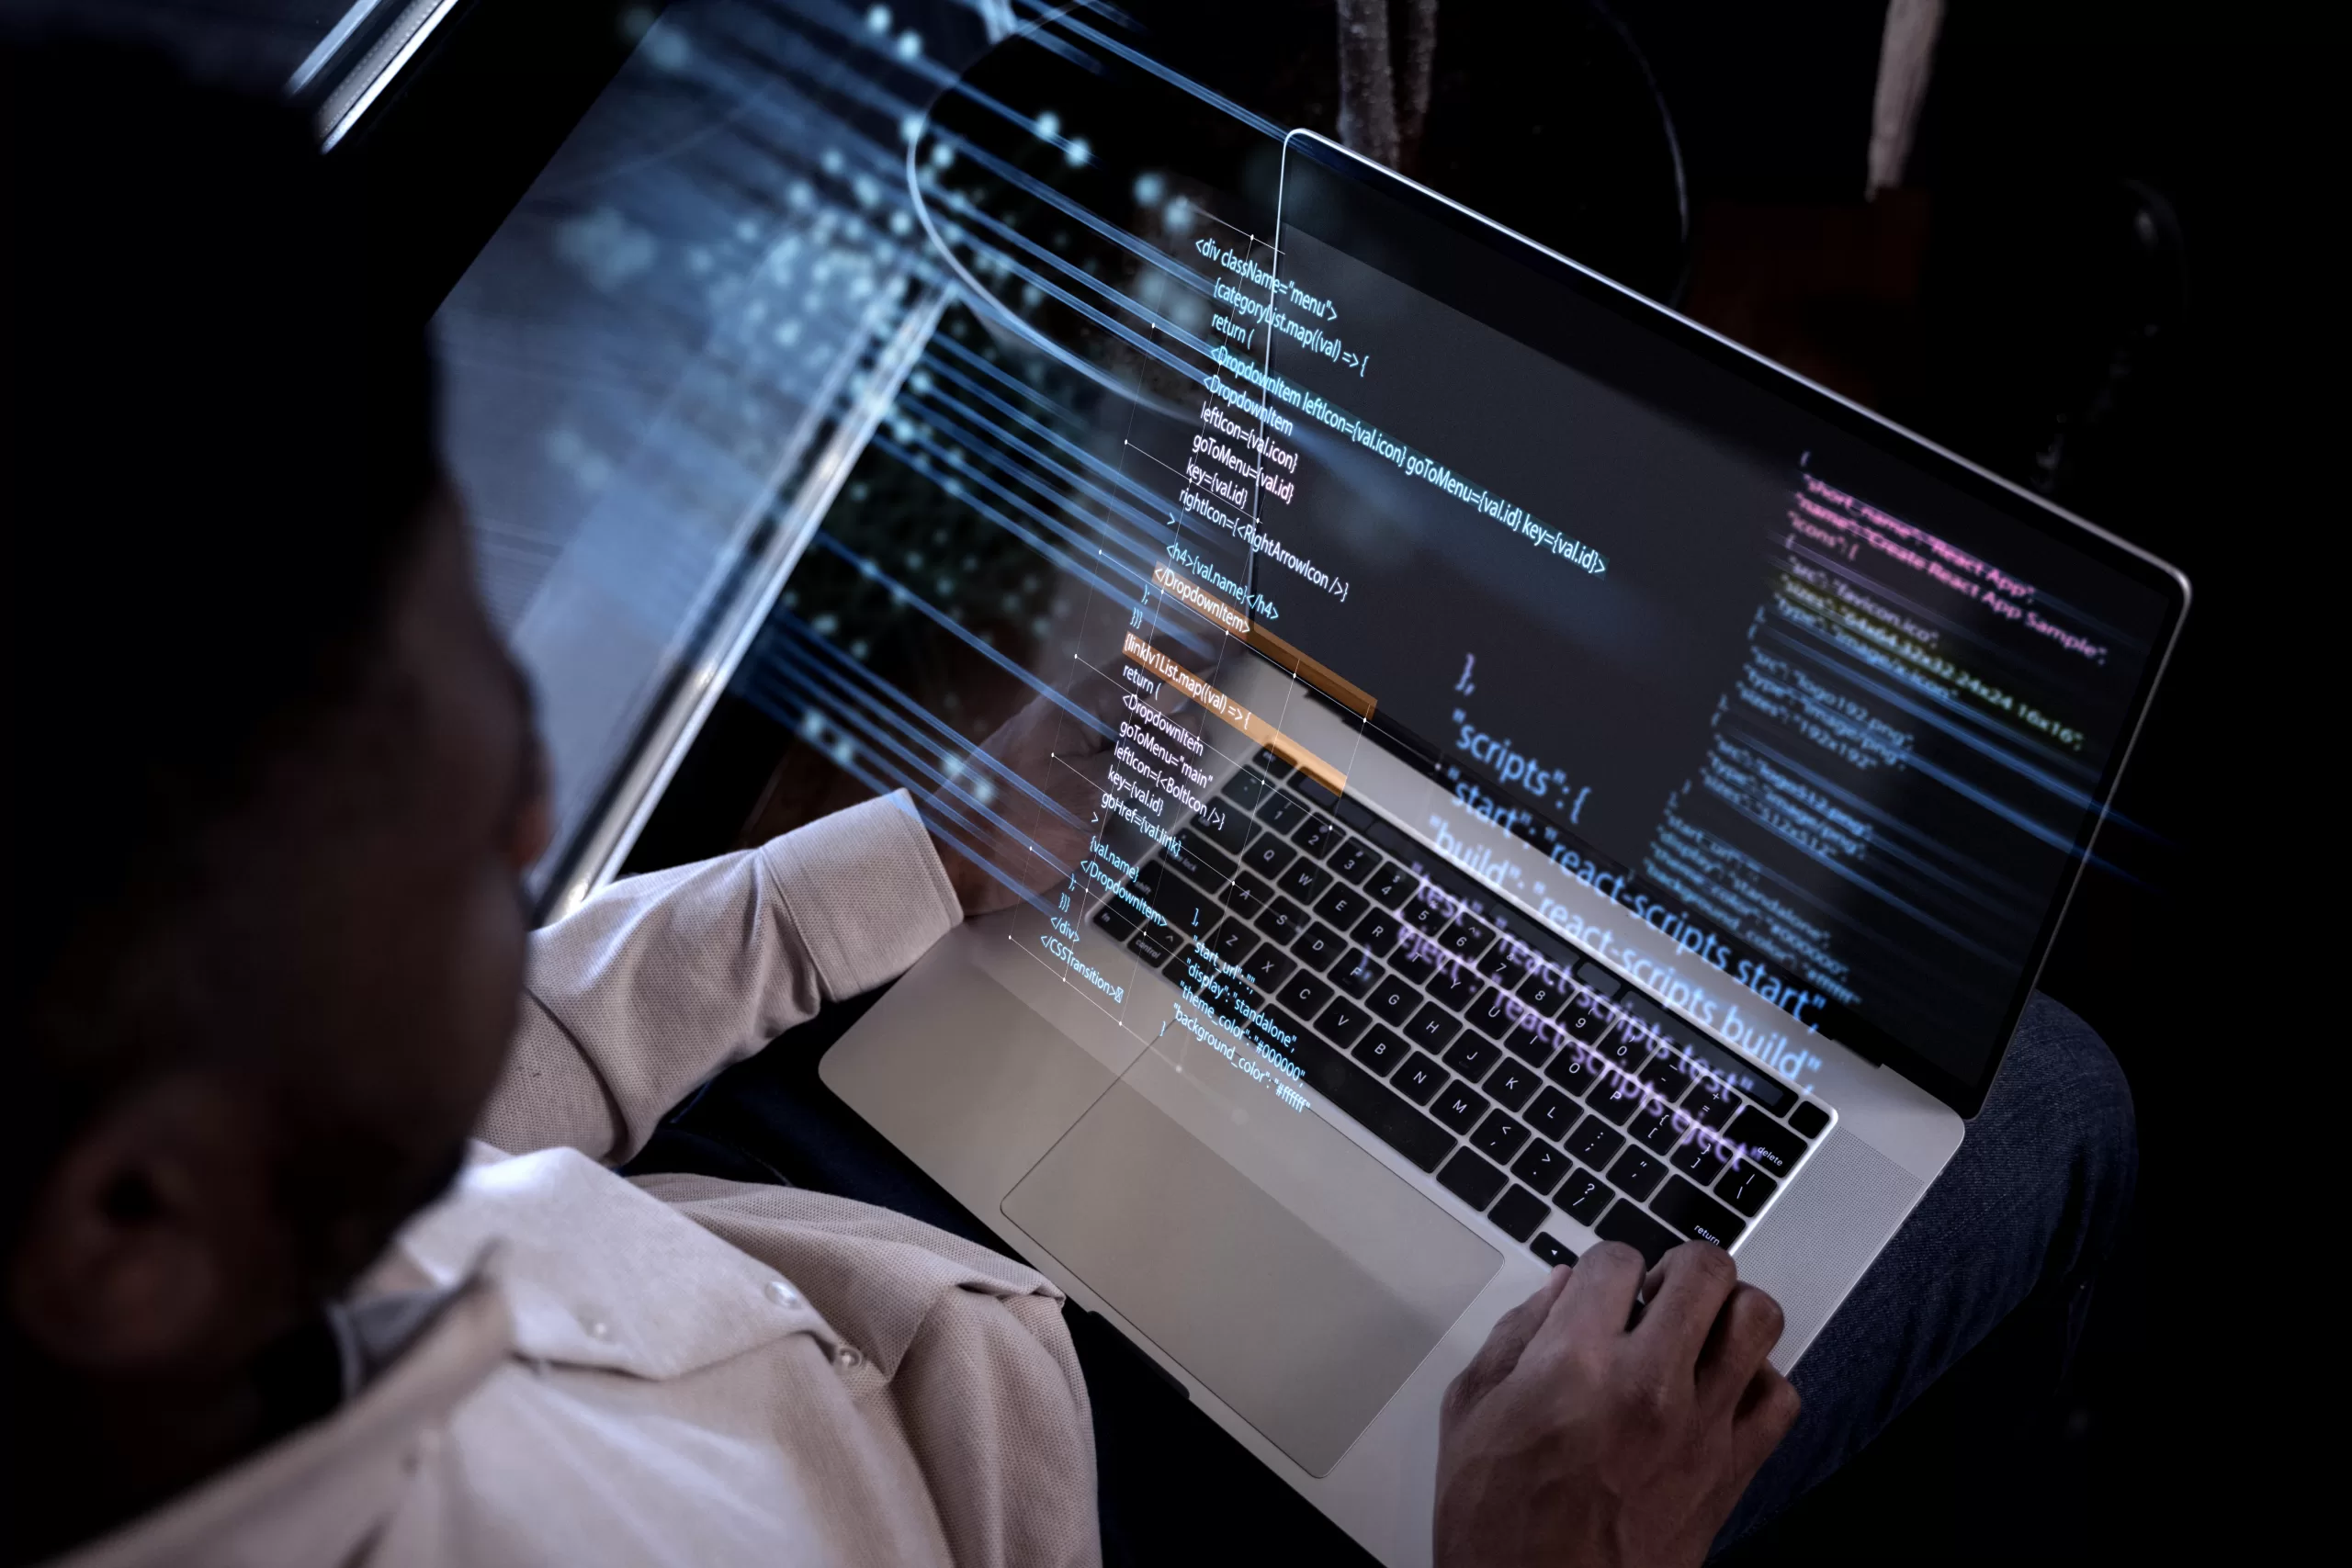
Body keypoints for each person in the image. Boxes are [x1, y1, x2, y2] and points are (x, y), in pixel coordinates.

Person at [1, 39, 2135, 1568]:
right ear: (131, 1228)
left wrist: (924, 851)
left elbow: (514, 1070)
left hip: (801, 1229)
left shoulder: (164, 1179)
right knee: (2039, 1092)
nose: (524, 787)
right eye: (403, 782)